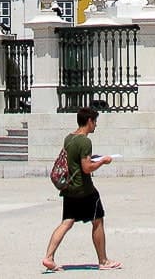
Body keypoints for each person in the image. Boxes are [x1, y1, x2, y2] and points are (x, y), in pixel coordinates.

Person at [42, 107, 121, 272]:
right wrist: (103, 161)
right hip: (84, 190)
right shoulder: (85, 141)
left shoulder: (69, 138)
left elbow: (75, 161)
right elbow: (86, 168)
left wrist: (92, 158)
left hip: (69, 188)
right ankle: (103, 260)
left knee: (67, 222)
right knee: (98, 220)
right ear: (89, 121)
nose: (96, 126)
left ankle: (48, 257)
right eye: (95, 122)